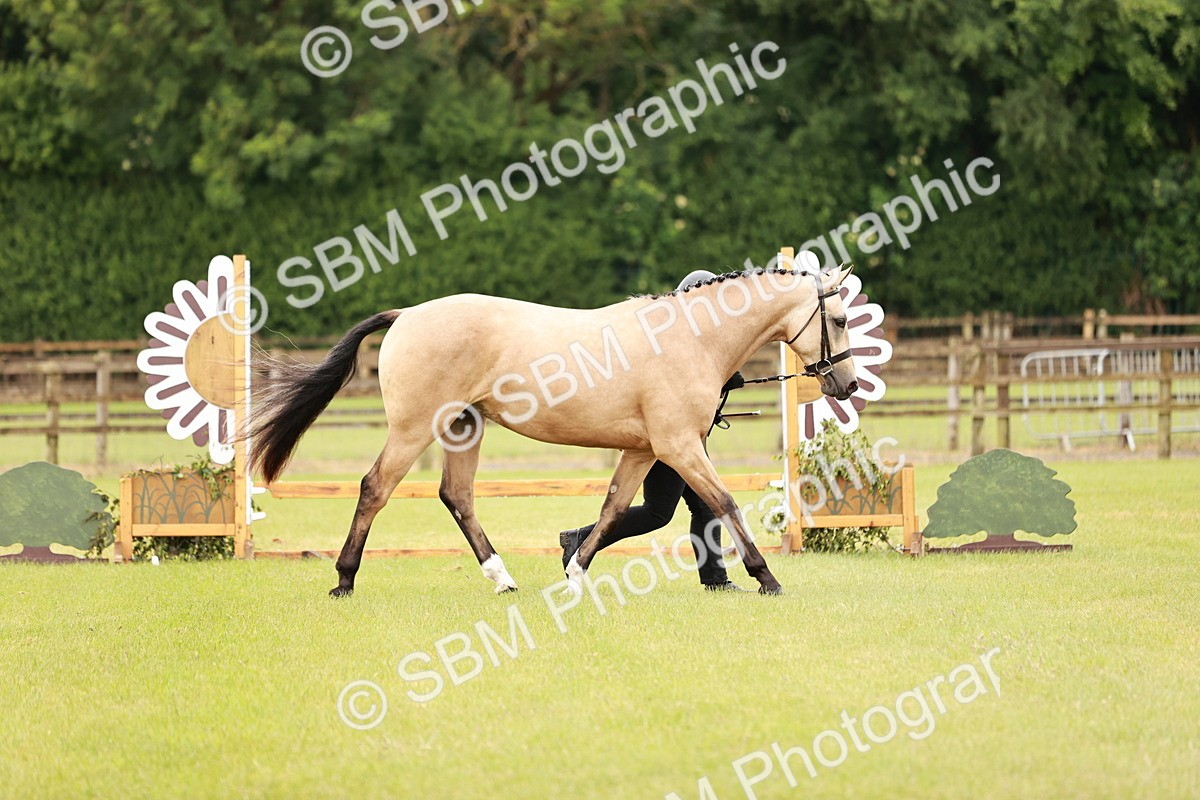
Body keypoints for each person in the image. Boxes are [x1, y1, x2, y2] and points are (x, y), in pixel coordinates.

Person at [559, 270, 750, 592]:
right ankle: (580, 539)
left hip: (683, 438)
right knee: (658, 513)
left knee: (703, 506)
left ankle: (715, 580)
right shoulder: (676, 340)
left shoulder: (690, 338)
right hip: (668, 440)